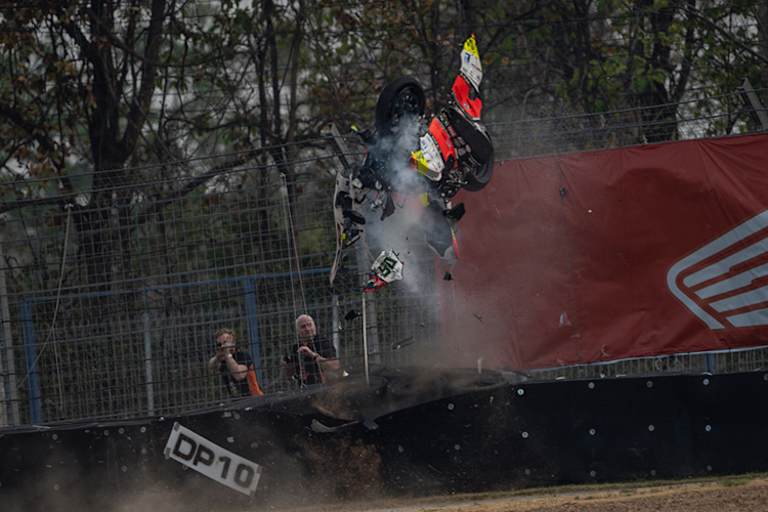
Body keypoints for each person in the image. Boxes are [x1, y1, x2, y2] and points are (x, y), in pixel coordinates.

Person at [283, 314, 341, 387]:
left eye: (310, 325)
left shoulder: (323, 342)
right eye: (303, 327)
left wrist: (313, 355)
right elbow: (289, 376)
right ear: (298, 332)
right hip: (304, 390)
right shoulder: (296, 348)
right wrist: (287, 367)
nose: (307, 329)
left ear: (315, 327)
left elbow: (334, 366)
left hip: (324, 388)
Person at [208, 327, 264, 397]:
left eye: (225, 342)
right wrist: (217, 356)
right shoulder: (222, 360)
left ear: (233, 342)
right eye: (220, 344)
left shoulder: (243, 356)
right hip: (237, 402)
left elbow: (239, 375)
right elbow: (211, 366)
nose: (222, 346)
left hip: (255, 398)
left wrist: (227, 354)